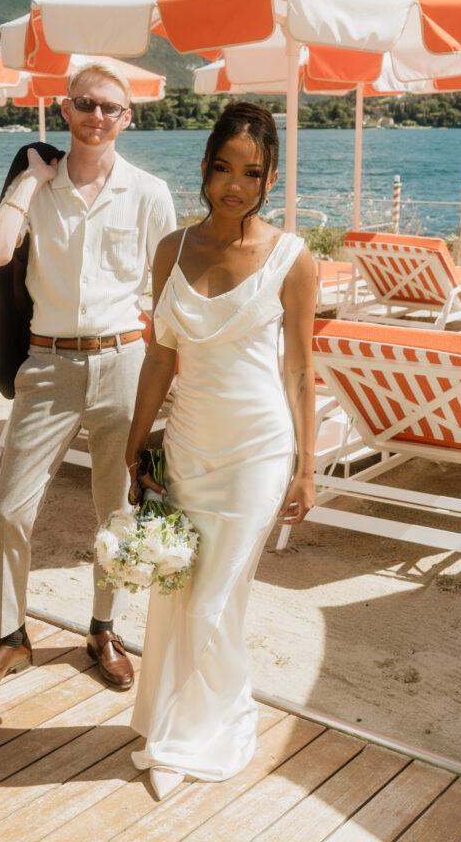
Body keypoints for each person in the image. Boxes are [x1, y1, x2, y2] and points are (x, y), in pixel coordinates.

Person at [0, 60, 176, 700]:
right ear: (65, 109)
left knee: (117, 510)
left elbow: (167, 298)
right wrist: (27, 183)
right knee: (9, 509)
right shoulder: (35, 185)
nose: (97, 117)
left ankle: (104, 628)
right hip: (47, 365)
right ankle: (9, 638)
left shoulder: (150, 192)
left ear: (127, 117)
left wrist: (171, 382)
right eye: (86, 104)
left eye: (111, 108)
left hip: (124, 363)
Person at [123, 101, 316, 799]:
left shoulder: (292, 258)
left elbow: (299, 370)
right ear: (204, 167)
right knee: (181, 592)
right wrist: (135, 437)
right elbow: (157, 356)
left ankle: (189, 735)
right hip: (187, 443)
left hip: (258, 449)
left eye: (251, 173)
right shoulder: (170, 249)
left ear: (269, 179)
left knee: (213, 593)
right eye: (222, 168)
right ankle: (183, 716)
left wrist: (306, 464)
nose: (234, 185)